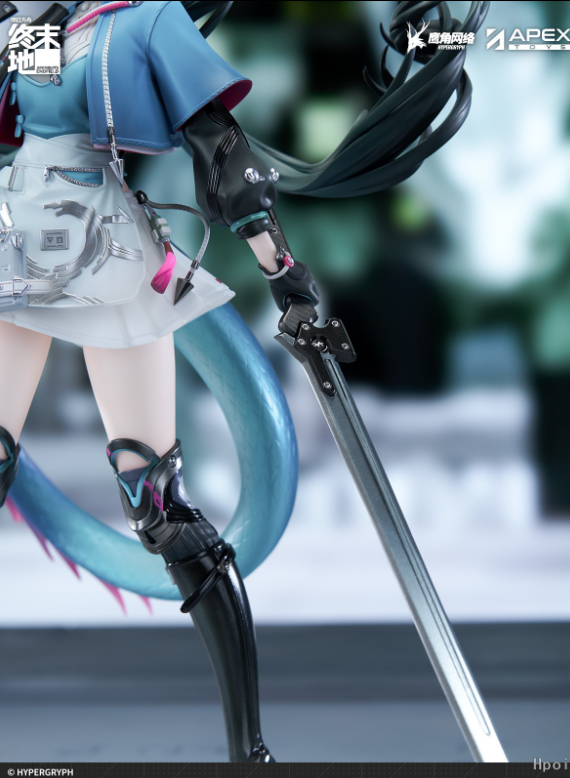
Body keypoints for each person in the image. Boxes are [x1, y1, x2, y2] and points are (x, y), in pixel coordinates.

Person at [0, 0, 488, 762]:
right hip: (36, 252)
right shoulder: (45, 33)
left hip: (87, 255)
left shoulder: (128, 27)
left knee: (158, 504)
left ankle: (248, 752)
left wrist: (284, 276)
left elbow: (226, 162)